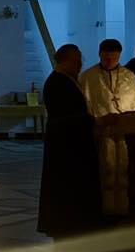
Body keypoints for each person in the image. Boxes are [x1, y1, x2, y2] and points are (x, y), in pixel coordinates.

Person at [79, 39, 135, 218]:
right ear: (100, 54)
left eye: (113, 58)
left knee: (125, 169)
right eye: (106, 58)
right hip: (102, 134)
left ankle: (125, 207)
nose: (110, 61)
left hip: (126, 136)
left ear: (119, 56)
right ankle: (102, 209)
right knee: (105, 168)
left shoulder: (128, 76)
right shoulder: (88, 77)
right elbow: (84, 107)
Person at [37, 44, 101, 237]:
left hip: (72, 142)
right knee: (65, 185)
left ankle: (75, 220)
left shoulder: (67, 80)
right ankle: (67, 222)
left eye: (81, 60)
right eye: (76, 61)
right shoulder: (57, 83)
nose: (80, 65)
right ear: (64, 60)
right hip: (65, 145)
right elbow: (64, 116)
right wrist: (94, 120)